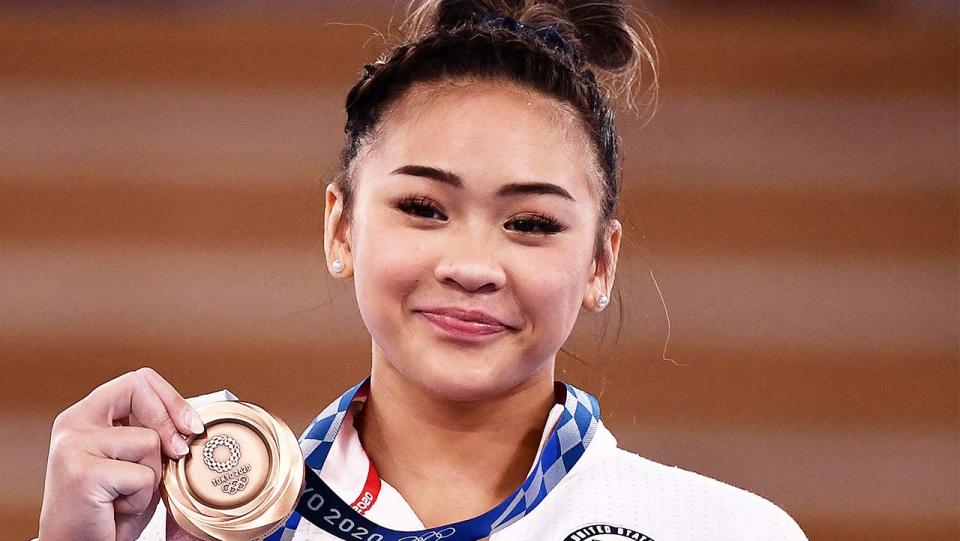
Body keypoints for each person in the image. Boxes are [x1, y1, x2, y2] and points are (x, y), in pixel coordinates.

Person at [36, 1, 808, 540]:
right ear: (341, 227)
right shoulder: (176, 529)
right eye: (424, 208)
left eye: (530, 223)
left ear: (601, 262)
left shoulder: (726, 531)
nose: (472, 265)